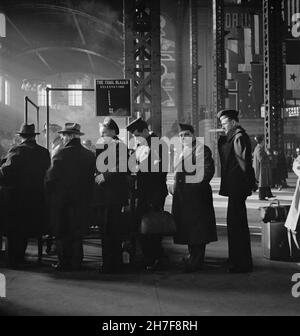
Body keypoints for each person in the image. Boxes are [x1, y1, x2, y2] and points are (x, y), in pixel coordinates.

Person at [45, 123, 95, 271]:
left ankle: (64, 262)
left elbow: (50, 179)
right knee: (77, 232)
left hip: (63, 201)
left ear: (69, 136)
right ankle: (77, 261)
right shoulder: (89, 155)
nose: (62, 138)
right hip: (82, 200)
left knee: (62, 232)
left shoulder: (60, 154)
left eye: (64, 135)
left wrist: (50, 197)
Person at [0, 124, 50, 268]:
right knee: (26, 228)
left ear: (21, 137)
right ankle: (20, 256)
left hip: (16, 198)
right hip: (36, 199)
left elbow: (5, 172)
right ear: (34, 136)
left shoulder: (17, 150)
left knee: (13, 229)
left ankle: (13, 258)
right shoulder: (44, 152)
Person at [170, 123, 217, 272]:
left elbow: (207, 172)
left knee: (198, 231)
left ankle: (196, 261)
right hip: (184, 197)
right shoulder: (183, 151)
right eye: (181, 136)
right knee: (189, 229)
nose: (184, 138)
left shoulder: (202, 150)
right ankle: (192, 257)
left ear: (193, 135)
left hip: (197, 197)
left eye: (186, 134)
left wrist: (192, 188)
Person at [126, 117, 168, 271]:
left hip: (152, 193)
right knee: (146, 227)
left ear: (145, 130)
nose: (136, 138)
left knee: (152, 227)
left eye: (137, 134)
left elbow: (156, 172)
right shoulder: (145, 144)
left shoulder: (156, 145)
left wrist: (136, 170)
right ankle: (150, 257)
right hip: (145, 192)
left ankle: (154, 258)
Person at [217, 109, 254, 273]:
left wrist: (243, 186)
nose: (223, 127)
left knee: (237, 226)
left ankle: (241, 263)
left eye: (224, 124)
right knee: (234, 225)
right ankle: (235, 259)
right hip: (235, 189)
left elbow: (243, 165)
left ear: (232, 122)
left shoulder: (238, 137)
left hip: (237, 189)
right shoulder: (233, 137)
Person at [94, 117, 129, 273]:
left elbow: (121, 167)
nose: (102, 134)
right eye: (102, 132)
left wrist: (104, 176)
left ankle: (111, 264)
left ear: (113, 132)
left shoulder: (118, 145)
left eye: (105, 131)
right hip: (107, 194)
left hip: (113, 194)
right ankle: (109, 262)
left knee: (111, 230)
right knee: (107, 230)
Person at [252, 135, 275, 200]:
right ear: (261, 141)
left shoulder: (258, 148)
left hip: (263, 168)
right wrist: (269, 157)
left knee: (265, 182)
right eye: (263, 140)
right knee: (262, 183)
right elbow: (261, 159)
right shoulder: (259, 148)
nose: (264, 141)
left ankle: (268, 194)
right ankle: (261, 196)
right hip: (262, 168)